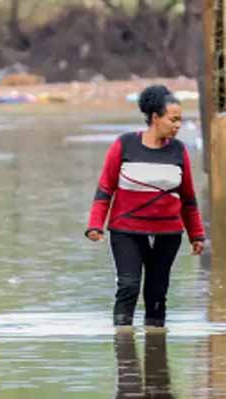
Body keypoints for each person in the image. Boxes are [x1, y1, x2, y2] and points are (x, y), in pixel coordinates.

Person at [86, 84, 205, 328]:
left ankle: (155, 344)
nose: (178, 125)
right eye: (173, 119)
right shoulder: (125, 144)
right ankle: (123, 343)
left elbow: (188, 199)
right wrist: (95, 225)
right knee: (128, 286)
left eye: (180, 120)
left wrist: (197, 235)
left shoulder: (179, 150)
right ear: (155, 117)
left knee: (157, 292)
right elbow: (105, 189)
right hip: (126, 230)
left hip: (168, 233)